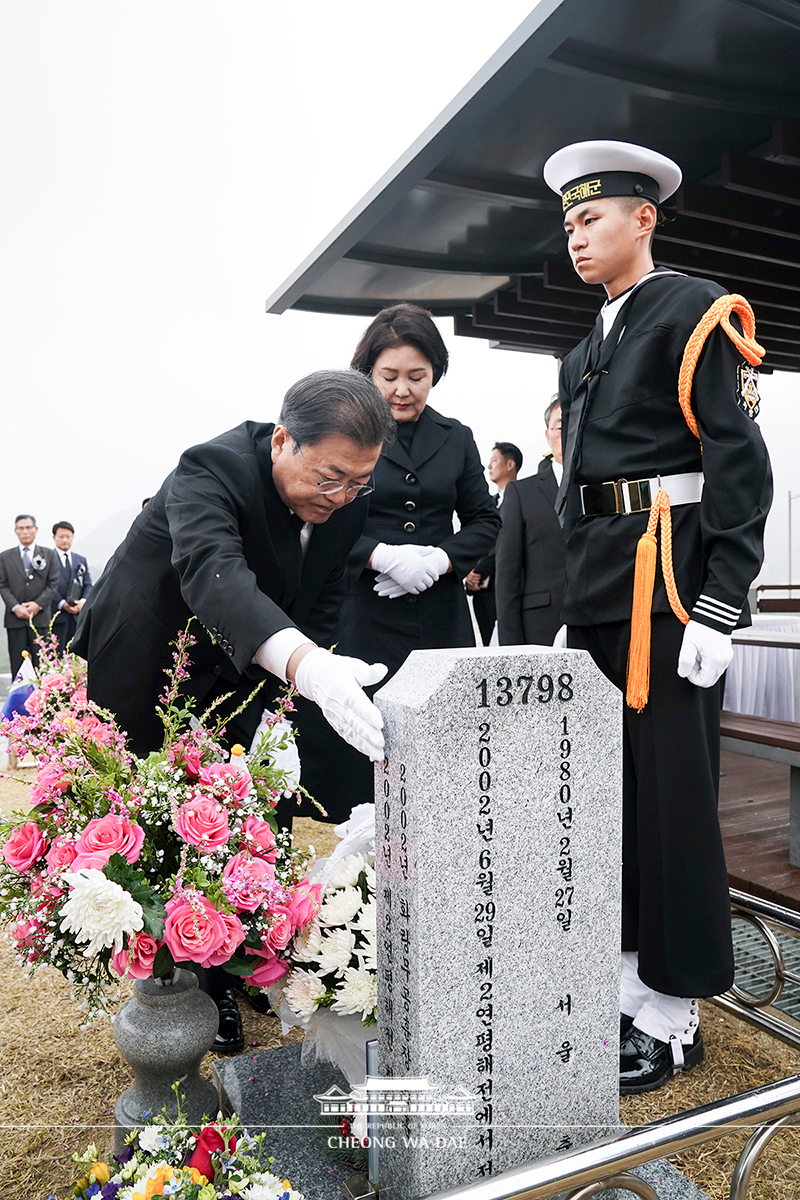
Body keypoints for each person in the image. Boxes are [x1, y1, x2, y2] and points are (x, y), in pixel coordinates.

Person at [73, 368, 395, 1053]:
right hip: (153, 657)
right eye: (330, 477)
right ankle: (197, 977)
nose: (342, 497)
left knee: (258, 802)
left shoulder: (350, 501)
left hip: (253, 663)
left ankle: (247, 952)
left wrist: (301, 686)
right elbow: (216, 575)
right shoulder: (209, 469)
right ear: (282, 441)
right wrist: (306, 666)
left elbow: (322, 597)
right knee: (179, 820)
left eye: (359, 482)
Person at [542, 139, 772, 1094]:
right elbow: (581, 491)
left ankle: (676, 1015)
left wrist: (724, 600)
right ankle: (630, 982)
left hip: (672, 597)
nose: (576, 238)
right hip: (600, 594)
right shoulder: (583, 347)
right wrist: (567, 612)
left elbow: (739, 464)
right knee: (612, 804)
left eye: (592, 218)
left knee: (675, 803)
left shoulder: (693, 309)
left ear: (644, 218)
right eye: (566, 224)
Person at [302, 304, 501, 816]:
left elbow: (484, 519)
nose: (402, 390)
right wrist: (378, 555)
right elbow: (316, 514)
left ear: (436, 373)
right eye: (388, 376)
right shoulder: (343, 433)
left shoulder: (456, 437)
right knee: (361, 746)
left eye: (417, 376)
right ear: (368, 373)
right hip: (360, 614)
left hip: (439, 618)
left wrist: (440, 559)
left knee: (444, 747)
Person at [495, 402, 565, 646]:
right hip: (542, 627)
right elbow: (507, 574)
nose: (569, 431)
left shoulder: (606, 486)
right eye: (561, 426)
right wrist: (512, 649)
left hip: (602, 627)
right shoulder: (522, 493)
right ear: (547, 436)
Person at [465, 441, 522, 644]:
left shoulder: (524, 500)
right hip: (481, 592)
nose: (489, 466)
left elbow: (510, 544)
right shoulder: (486, 505)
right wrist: (469, 571)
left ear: (510, 465)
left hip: (506, 588)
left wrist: (480, 569)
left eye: (494, 460)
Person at [0, 515, 59, 676]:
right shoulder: (5, 557)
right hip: (15, 621)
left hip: (40, 620)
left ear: (36, 529)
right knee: (18, 669)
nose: (25, 532)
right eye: (21, 528)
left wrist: (37, 605)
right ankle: (19, 701)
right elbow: (2, 585)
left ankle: (42, 701)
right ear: (15, 531)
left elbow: (53, 584)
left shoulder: (49, 555)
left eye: (28, 527)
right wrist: (16, 607)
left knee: (43, 668)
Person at [51, 521, 93, 652]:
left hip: (77, 617)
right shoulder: (49, 558)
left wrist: (82, 602)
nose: (65, 540)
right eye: (61, 536)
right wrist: (62, 603)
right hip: (56, 616)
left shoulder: (80, 560)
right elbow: (47, 586)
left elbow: (88, 584)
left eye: (68, 537)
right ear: (54, 538)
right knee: (56, 655)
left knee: (76, 654)